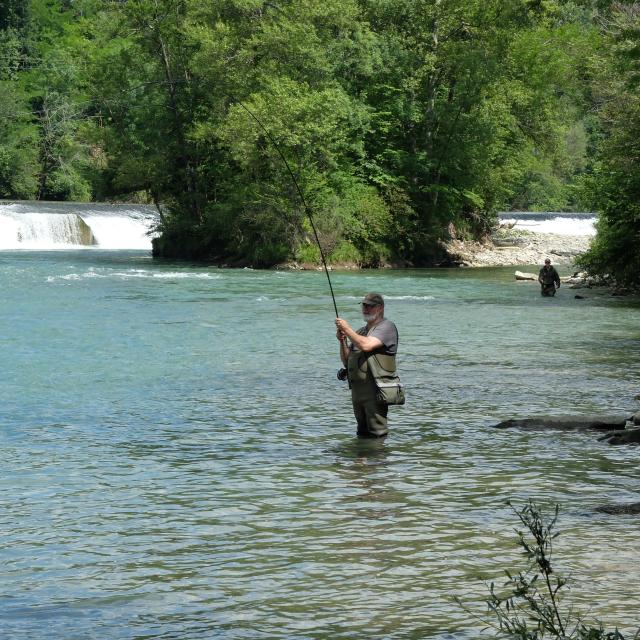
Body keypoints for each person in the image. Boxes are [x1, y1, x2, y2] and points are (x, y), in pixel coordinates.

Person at [335, 293, 399, 438]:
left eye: (370, 306)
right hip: (357, 392)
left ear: (381, 307)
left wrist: (347, 329)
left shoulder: (387, 327)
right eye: (364, 305)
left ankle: (379, 459)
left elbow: (367, 345)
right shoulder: (360, 332)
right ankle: (362, 460)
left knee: (377, 434)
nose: (366, 308)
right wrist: (342, 341)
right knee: (362, 434)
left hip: (376, 390)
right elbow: (347, 361)